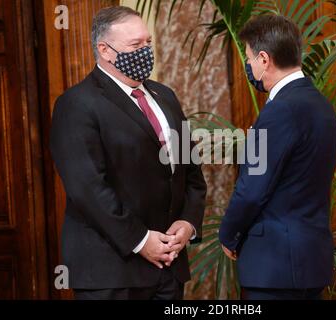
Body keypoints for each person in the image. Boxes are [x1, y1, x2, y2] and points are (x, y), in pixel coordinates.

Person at [50, 6, 206, 300]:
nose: (146, 51)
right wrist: (141, 240)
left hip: (169, 268)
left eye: (148, 43)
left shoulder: (165, 96)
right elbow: (88, 188)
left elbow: (191, 168)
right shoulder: (76, 104)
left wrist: (188, 222)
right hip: (112, 272)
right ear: (105, 50)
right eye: (136, 46)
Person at [219, 15, 336, 300]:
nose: (248, 66)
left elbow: (252, 189)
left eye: (249, 58)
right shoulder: (321, 105)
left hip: (276, 268)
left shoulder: (280, 111)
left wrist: (229, 234)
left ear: (264, 59)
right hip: (309, 262)